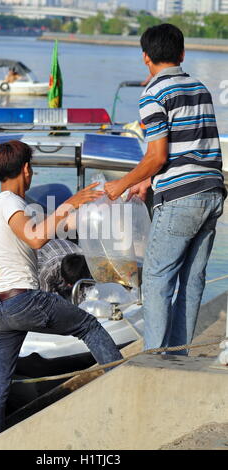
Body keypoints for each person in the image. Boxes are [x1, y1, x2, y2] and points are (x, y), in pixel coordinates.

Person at [0, 140, 123, 443]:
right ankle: (125, 384)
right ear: (27, 169)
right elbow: (35, 239)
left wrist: (88, 207)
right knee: (88, 325)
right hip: (22, 301)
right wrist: (69, 203)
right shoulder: (11, 203)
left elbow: (48, 228)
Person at [104, 23, 226, 355]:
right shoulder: (199, 87)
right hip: (213, 191)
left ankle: (154, 356)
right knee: (191, 280)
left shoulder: (153, 94)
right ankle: (177, 353)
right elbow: (187, 149)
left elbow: (156, 155)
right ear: (182, 53)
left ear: (145, 57)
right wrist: (147, 179)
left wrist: (122, 184)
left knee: (157, 279)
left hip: (181, 199)